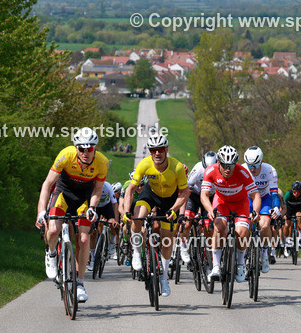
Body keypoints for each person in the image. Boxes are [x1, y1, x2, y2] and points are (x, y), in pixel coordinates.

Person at [36, 127, 109, 303]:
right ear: (75, 147)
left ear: (95, 148)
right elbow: (47, 184)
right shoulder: (65, 155)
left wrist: (92, 207)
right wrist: (41, 211)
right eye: (81, 148)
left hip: (85, 197)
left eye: (89, 148)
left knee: (84, 240)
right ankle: (52, 253)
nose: (85, 152)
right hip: (63, 193)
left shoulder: (102, 162)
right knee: (53, 230)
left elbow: (98, 190)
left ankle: (80, 284)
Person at [126, 133, 190, 297]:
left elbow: (184, 193)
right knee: (138, 217)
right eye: (153, 150)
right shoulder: (144, 164)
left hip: (170, 200)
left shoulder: (176, 167)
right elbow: (130, 189)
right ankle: (136, 253)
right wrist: (127, 211)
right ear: (149, 151)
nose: (157, 153)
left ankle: (163, 279)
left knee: (167, 239)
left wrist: (174, 210)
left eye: (160, 149)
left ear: (166, 149)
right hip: (151, 194)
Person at [200, 146, 261, 283]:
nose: (228, 169)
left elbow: (255, 195)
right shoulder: (210, 171)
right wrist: (210, 209)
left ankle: (240, 264)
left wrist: (255, 211)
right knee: (219, 227)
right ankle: (216, 266)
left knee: (242, 231)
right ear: (219, 162)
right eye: (225, 165)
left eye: (231, 165)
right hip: (221, 202)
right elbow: (204, 195)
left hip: (240, 204)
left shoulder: (242, 172)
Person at [243, 146, 280, 272]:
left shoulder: (270, 170)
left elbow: (274, 192)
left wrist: (276, 207)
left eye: (255, 165)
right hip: (247, 199)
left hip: (264, 198)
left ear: (262, 162)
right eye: (250, 165)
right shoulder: (242, 169)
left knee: (264, 226)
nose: (252, 169)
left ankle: (264, 253)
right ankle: (244, 254)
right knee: (245, 226)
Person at [179, 150, 217, 266]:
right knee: (187, 224)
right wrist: (183, 213)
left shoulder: (220, 171)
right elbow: (186, 191)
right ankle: (183, 246)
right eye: (206, 169)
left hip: (210, 198)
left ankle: (208, 256)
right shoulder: (197, 169)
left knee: (208, 228)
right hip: (194, 196)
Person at [281, 180, 301, 257]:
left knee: (299, 217)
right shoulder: (288, 194)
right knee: (287, 225)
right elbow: (283, 206)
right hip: (288, 208)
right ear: (292, 190)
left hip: (298, 208)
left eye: (298, 192)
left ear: (300, 191)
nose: (296, 194)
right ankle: (287, 244)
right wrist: (284, 215)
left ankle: (300, 237)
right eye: (294, 192)